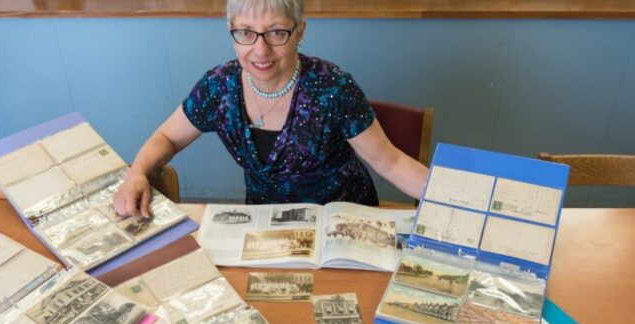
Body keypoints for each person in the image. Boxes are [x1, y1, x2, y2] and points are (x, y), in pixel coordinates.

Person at [113, 0, 428, 217]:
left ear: (299, 32)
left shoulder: (332, 87)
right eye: (246, 33)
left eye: (277, 32)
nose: (260, 50)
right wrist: (137, 172)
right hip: (265, 226)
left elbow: (392, 163)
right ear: (232, 33)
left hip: (340, 224)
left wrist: (457, 201)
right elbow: (168, 137)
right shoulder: (219, 87)